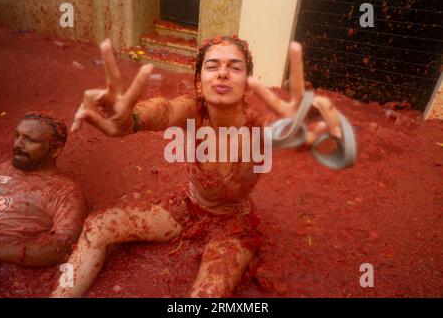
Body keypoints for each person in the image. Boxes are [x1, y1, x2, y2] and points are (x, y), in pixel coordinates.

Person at [51, 35, 342, 297]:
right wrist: (128, 119)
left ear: (248, 82)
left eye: (235, 67)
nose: (223, 73)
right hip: (187, 209)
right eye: (212, 65)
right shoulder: (192, 110)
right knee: (98, 225)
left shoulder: (259, 127)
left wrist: (310, 130)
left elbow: (287, 133)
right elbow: (163, 111)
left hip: (234, 226)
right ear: (199, 80)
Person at [0, 112, 87, 267]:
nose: (18, 144)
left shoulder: (65, 191)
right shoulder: (3, 168)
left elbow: (63, 248)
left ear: (56, 150)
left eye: (29, 139)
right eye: (17, 136)